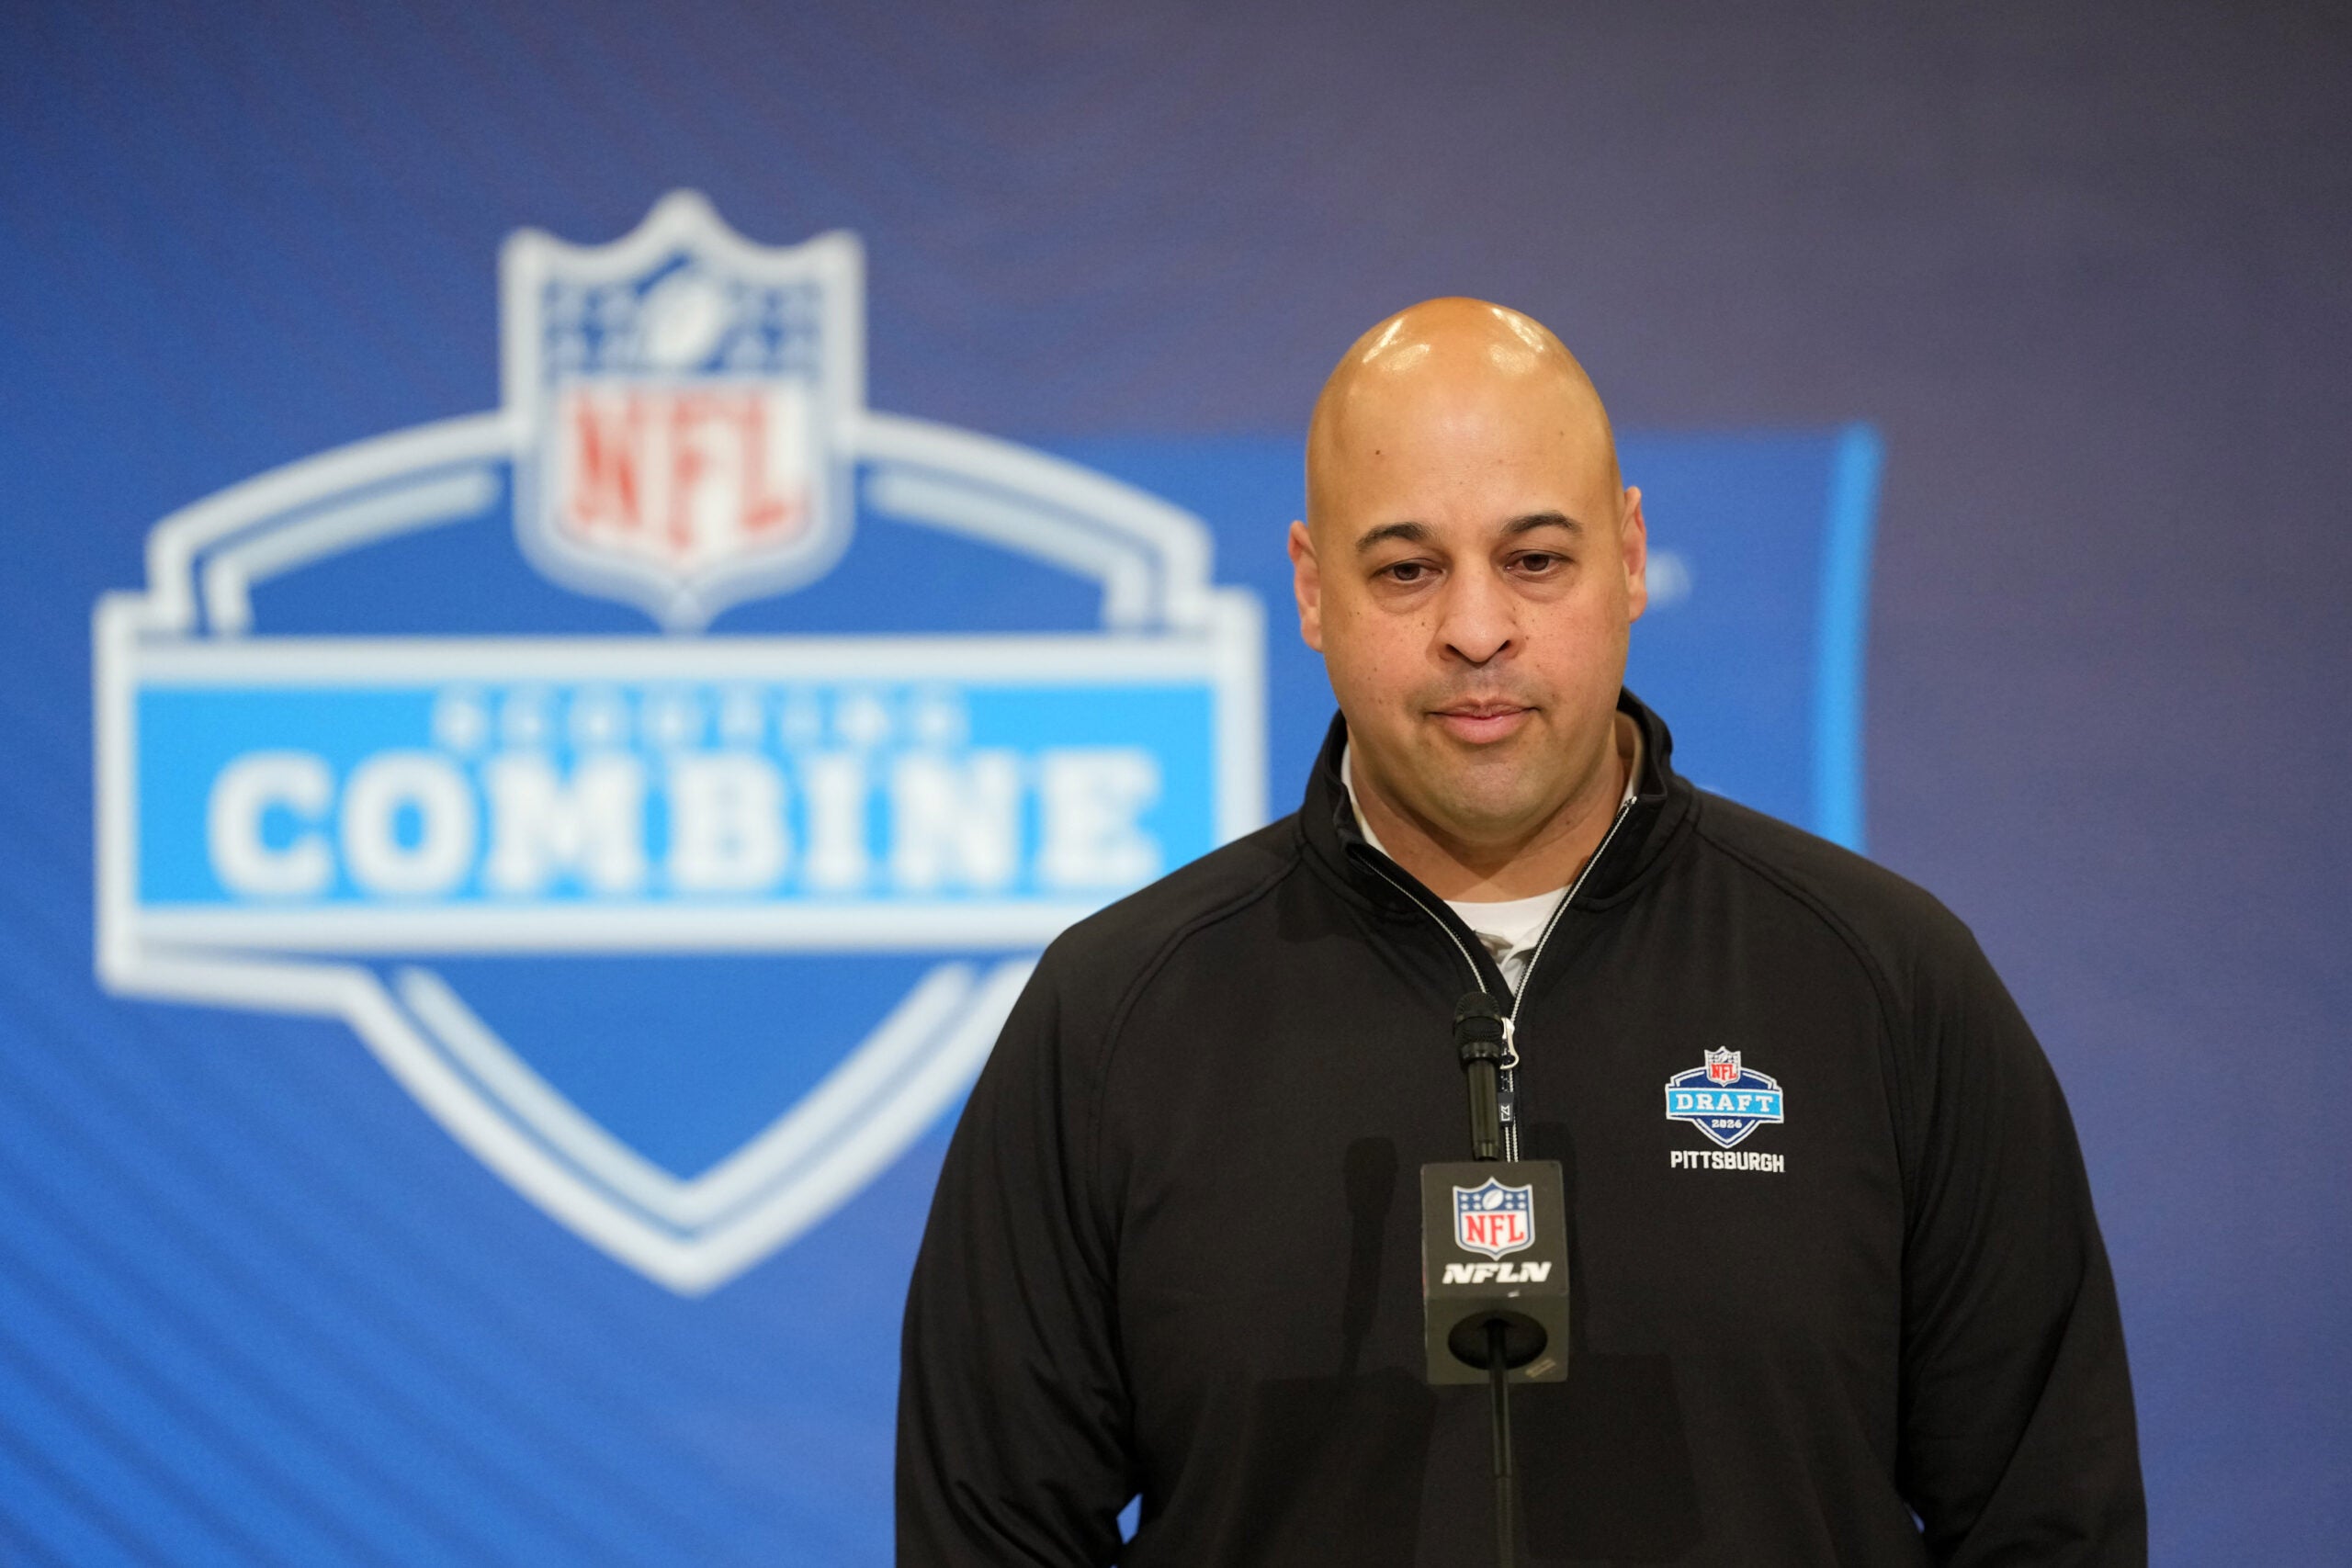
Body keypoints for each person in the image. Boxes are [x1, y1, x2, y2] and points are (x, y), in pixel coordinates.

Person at [897, 299, 2144, 1565]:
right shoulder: (1115, 1020)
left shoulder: (1887, 986)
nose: (1478, 630)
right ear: (1314, 590)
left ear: (1633, 554)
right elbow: (989, 1532)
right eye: (1406, 569)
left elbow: (2050, 1523)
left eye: (1536, 559)